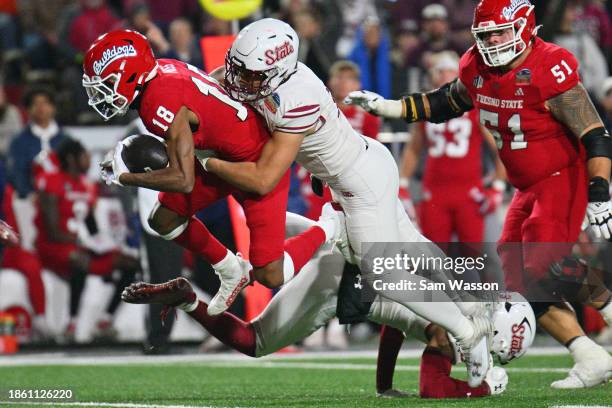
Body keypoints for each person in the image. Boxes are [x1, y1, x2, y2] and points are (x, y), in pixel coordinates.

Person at [205, 18, 493, 387]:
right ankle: (471, 306)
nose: (241, 80)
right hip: (365, 167)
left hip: (360, 186)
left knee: (386, 275)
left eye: (252, 74)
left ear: (278, 69)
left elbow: (264, 177)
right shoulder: (273, 77)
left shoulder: (297, 96)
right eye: (239, 69)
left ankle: (465, 333)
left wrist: (205, 161)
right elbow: (218, 80)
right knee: (412, 246)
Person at [345, 0, 612, 389]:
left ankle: (607, 302)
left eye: (500, 32)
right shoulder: (477, 66)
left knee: (539, 264)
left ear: (524, 26)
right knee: (522, 280)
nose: (492, 41)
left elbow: (594, 132)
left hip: (561, 177)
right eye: (485, 34)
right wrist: (387, 106)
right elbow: (443, 103)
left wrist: (600, 191)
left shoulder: (549, 65)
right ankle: (589, 357)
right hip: (526, 186)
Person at [123, 212, 531, 398]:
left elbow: (402, 324)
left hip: (351, 247)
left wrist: (384, 385)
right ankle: (190, 298)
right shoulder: (459, 325)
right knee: (253, 340)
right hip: (338, 282)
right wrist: (477, 394)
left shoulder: (461, 293)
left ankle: (306, 226)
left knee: (267, 224)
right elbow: (433, 387)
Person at [82, 29, 340, 317]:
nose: (101, 93)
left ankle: (328, 226)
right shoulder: (161, 71)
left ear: (130, 75)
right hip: (220, 155)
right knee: (163, 218)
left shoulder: (157, 100)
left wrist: (125, 177)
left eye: (107, 84)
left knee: (270, 274)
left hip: (254, 162)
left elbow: (183, 179)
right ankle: (231, 271)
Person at [34, 138, 138, 341]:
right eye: (84, 155)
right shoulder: (52, 181)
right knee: (78, 259)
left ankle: (106, 321)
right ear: (72, 158)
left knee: (130, 263)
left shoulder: (87, 186)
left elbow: (91, 227)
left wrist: (101, 243)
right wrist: (83, 242)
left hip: (79, 246)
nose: (89, 159)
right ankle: (70, 325)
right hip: (54, 247)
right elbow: (52, 231)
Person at [399, 51, 505, 244]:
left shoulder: (475, 105)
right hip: (434, 192)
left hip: (469, 192)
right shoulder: (426, 106)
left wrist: (498, 187)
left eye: (450, 70)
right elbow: (414, 147)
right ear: (433, 74)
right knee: (435, 257)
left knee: (474, 258)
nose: (445, 76)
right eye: (441, 71)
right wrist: (403, 183)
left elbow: (500, 147)